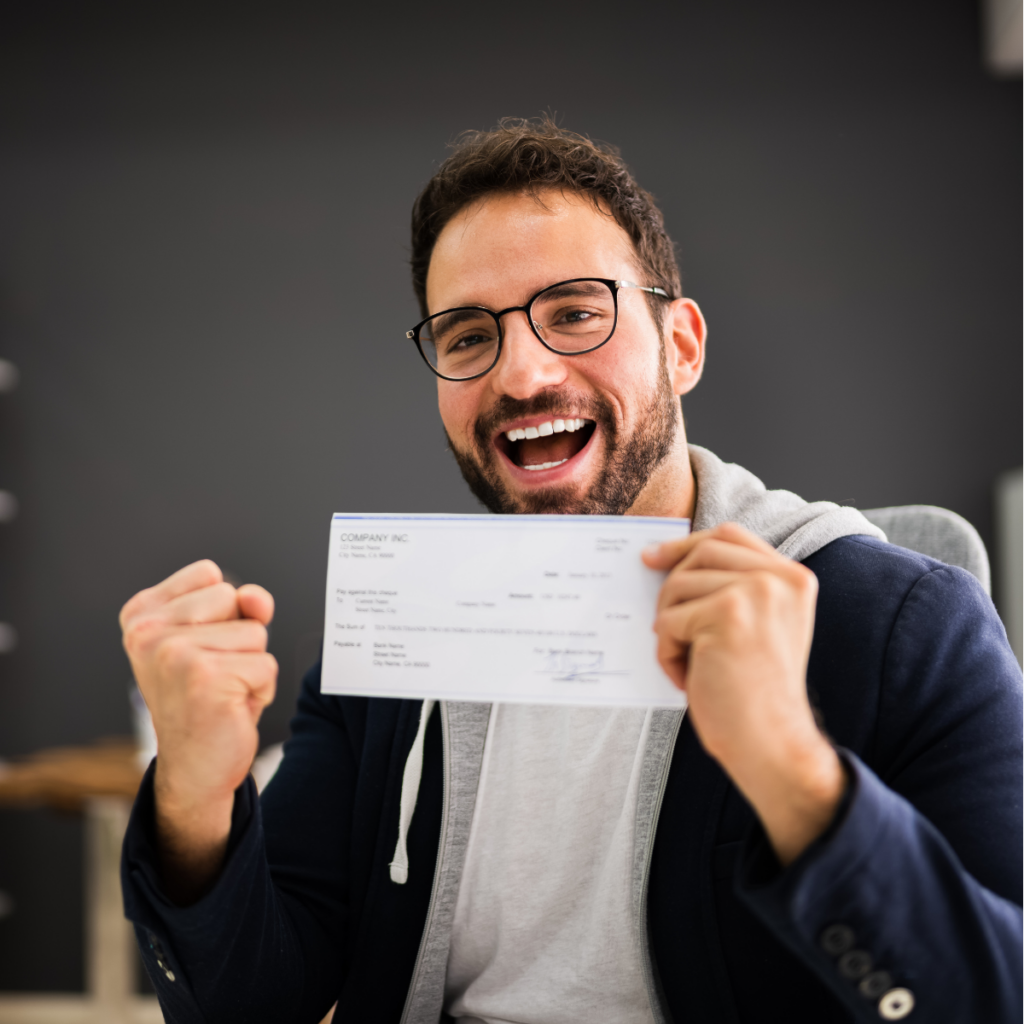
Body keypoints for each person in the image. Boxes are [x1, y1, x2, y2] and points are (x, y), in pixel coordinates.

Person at [119, 120, 1022, 1024]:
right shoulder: (401, 637)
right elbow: (251, 1003)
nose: (522, 373)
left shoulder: (907, 623)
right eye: (468, 336)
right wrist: (194, 797)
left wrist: (793, 770)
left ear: (682, 346)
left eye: (576, 313)